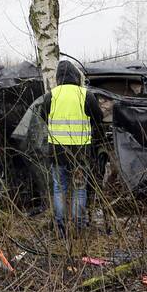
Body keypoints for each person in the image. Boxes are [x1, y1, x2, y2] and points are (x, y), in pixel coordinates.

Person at [37, 59, 101, 235]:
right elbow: (98, 117)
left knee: (59, 188)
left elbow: (43, 116)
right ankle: (79, 228)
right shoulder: (85, 94)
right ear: (75, 76)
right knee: (80, 190)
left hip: (57, 152)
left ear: (58, 77)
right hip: (80, 152)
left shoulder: (52, 95)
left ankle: (61, 228)